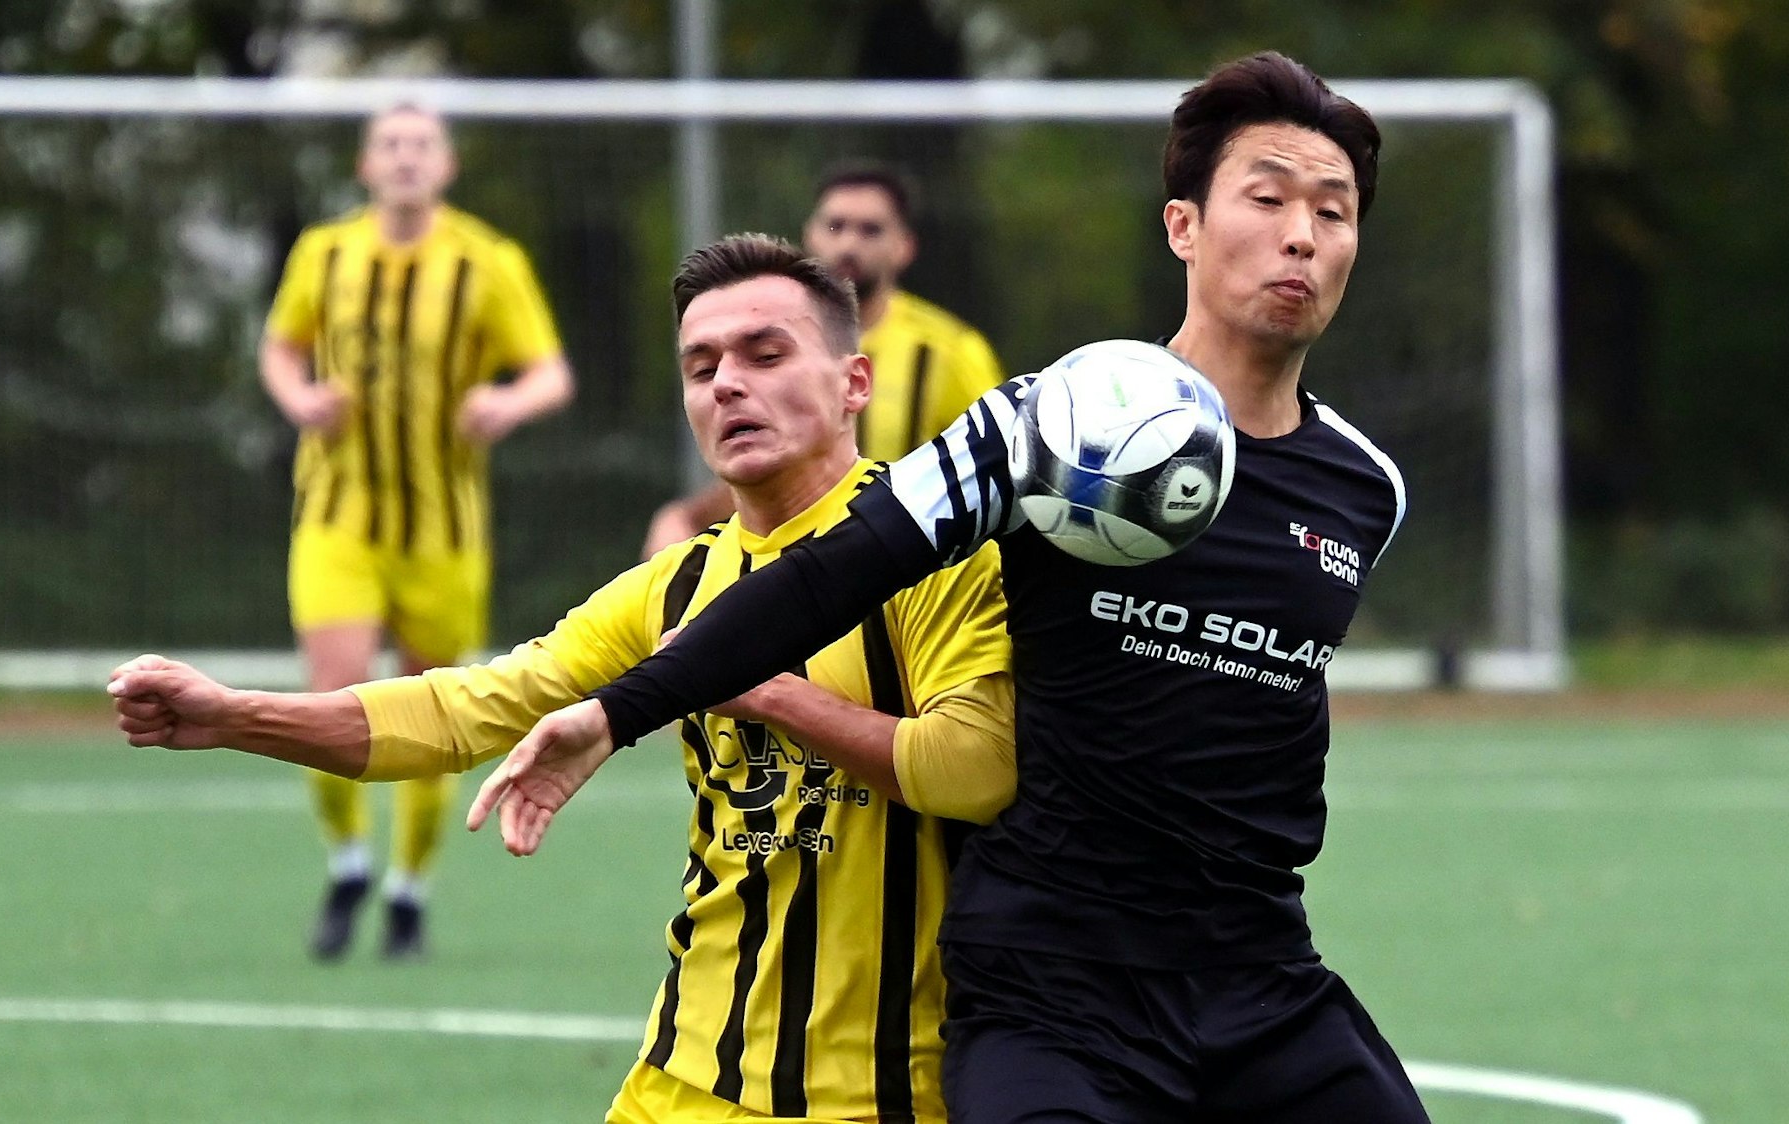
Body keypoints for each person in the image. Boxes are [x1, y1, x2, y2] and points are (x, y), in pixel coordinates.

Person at [478, 53, 1430, 1122]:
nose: (1302, 233)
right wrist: (616, 709)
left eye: (1333, 211)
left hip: (1260, 979)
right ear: (1183, 227)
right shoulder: (1040, 424)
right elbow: (830, 569)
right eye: (1267, 199)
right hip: (1054, 988)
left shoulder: (1366, 487)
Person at [112, 234, 1016, 1123]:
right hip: (681, 1077)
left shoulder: (938, 561)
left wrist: (754, 682)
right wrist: (236, 716)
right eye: (700, 368)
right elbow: (464, 710)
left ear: (853, 382)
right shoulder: (675, 585)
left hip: (876, 1095)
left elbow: (974, 773)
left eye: (765, 354)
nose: (727, 384)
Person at [259, 103, 574, 960]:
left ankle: (408, 888)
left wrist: (505, 401)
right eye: (390, 144)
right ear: (365, 165)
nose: (405, 158)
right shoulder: (324, 254)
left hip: (443, 529)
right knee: (331, 693)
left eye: (421, 145)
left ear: (447, 165)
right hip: (337, 516)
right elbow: (281, 348)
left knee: (432, 707)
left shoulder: (484, 260)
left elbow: (549, 372)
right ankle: (349, 860)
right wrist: (298, 399)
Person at [640, 164, 1004, 556]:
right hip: (793, 563)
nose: (848, 244)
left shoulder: (950, 350)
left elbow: (994, 469)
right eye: (835, 226)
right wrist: (687, 517)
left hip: (911, 570)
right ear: (809, 234)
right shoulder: (746, 335)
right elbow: (782, 464)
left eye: (870, 230)